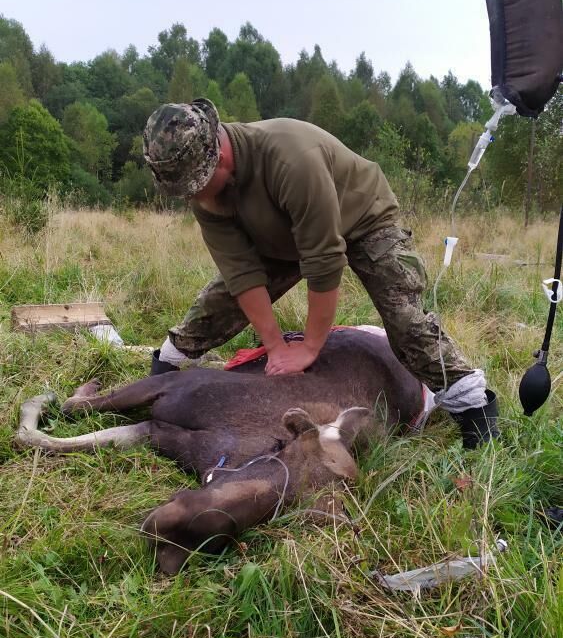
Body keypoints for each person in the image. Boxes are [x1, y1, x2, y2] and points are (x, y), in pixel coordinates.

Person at [142, 99, 498, 448]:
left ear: (217, 158)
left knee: (405, 319)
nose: (196, 197)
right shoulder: (204, 193)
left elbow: (324, 261)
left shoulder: (291, 159)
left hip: (364, 221)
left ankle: (476, 412)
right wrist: (277, 348)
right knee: (215, 306)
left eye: (197, 186)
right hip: (280, 236)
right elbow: (241, 276)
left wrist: (309, 347)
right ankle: (163, 376)